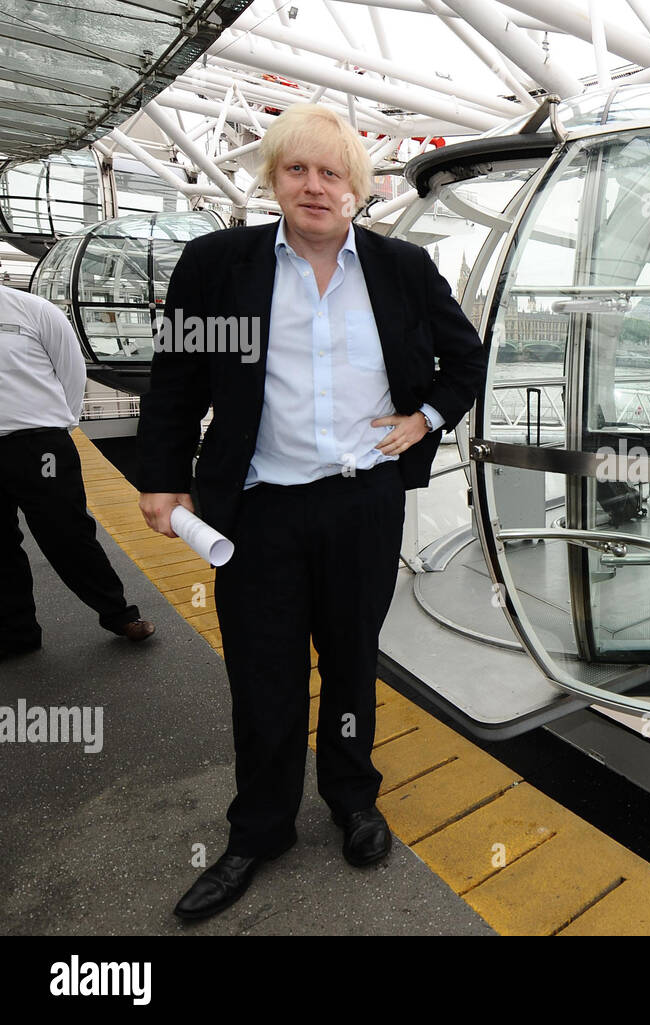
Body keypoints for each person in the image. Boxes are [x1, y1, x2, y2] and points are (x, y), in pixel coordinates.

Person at [136, 104, 487, 920]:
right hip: (256, 509)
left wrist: (423, 420)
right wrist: (161, 477)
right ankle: (258, 828)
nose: (314, 186)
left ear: (358, 190)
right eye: (297, 169)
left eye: (332, 173)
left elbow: (464, 360)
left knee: (352, 657)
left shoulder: (401, 270)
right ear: (274, 180)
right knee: (262, 672)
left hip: (362, 503)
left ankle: (352, 797)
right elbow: (178, 377)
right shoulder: (221, 264)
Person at [1, 280, 155, 661]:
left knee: (67, 533)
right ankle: (16, 634)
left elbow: (70, 373)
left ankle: (119, 614)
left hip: (37, 443)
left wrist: (58, 426)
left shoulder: (34, 311)